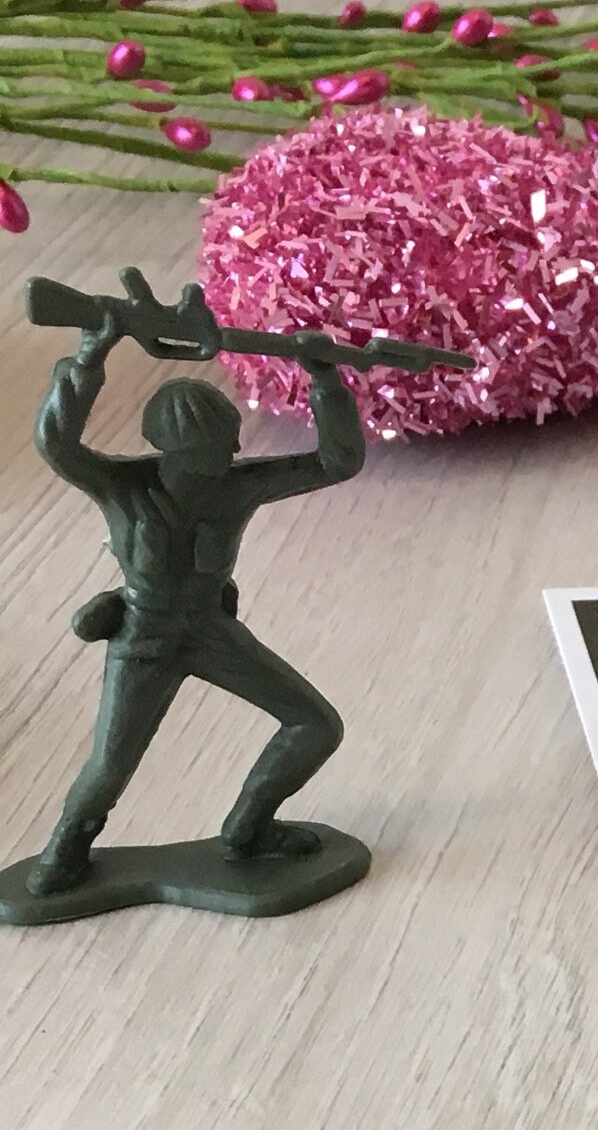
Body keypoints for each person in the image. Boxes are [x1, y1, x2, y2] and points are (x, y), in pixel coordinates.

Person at [28, 311, 361, 895]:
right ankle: (66, 849)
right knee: (109, 765)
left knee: (315, 725)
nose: (230, 451)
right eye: (213, 443)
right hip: (144, 641)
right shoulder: (123, 486)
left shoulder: (237, 486)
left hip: (210, 631)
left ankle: (247, 830)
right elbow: (56, 442)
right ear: (174, 447)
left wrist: (325, 380)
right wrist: (89, 357)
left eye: (227, 440)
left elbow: (337, 462)